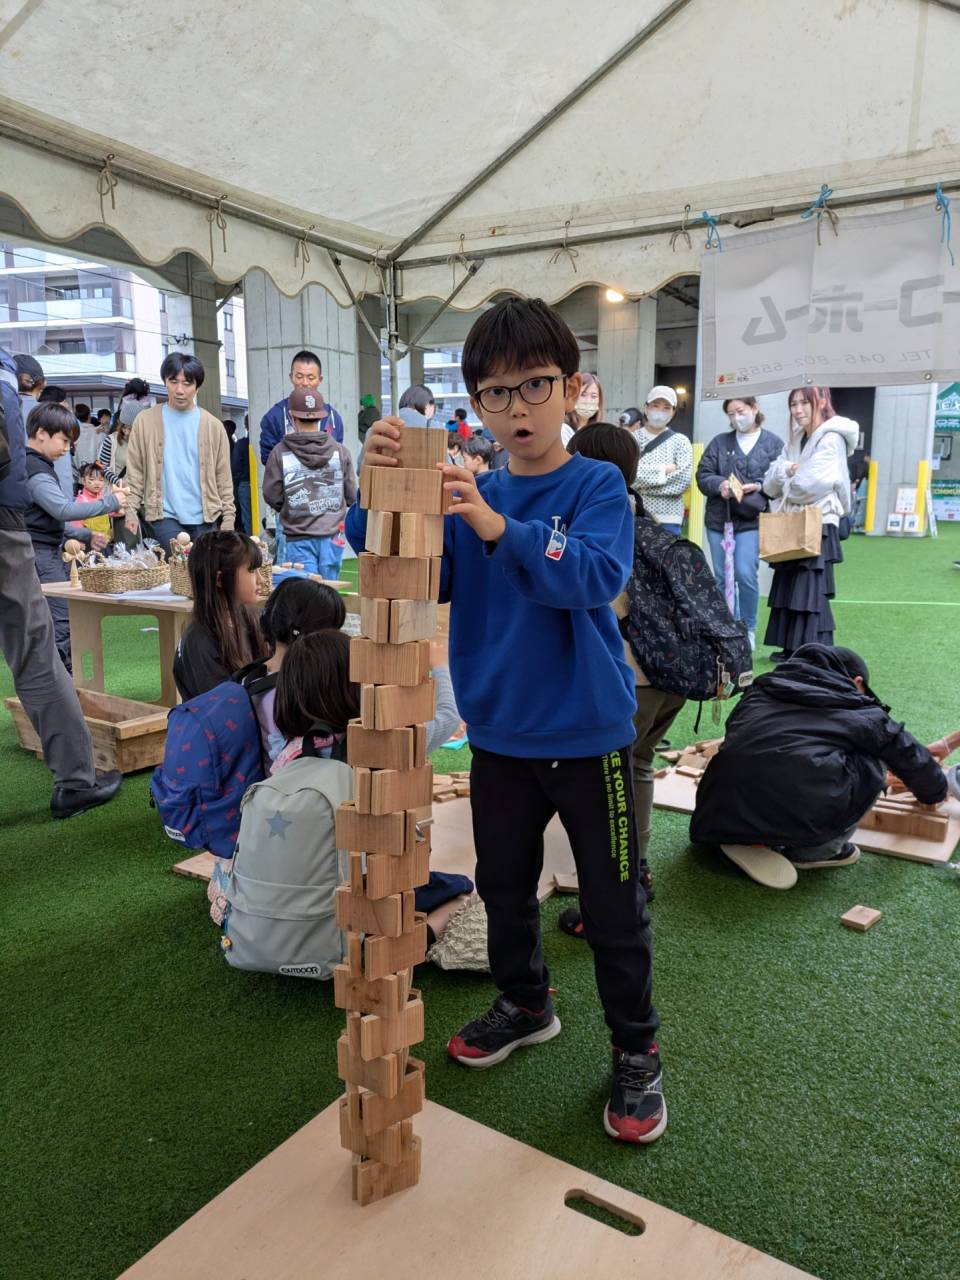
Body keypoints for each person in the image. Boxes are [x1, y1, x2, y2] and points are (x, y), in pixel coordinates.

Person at [349, 296, 664, 1145]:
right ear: (476, 405)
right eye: (496, 393)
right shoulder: (469, 493)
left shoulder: (596, 484)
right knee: (503, 889)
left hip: (590, 735)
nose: (518, 408)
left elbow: (595, 576)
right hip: (498, 739)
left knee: (614, 907)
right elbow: (405, 567)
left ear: (572, 388)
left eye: (535, 385)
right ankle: (528, 1003)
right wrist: (377, 487)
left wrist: (501, 529)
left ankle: (636, 1049)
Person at [558, 422, 684, 928]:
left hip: (632, 681)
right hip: (676, 676)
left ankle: (612, 899)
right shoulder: (654, 524)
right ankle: (638, 869)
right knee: (639, 767)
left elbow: (599, 602)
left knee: (604, 792)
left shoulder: (604, 526)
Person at [691, 644, 948, 888]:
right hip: (801, 809)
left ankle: (738, 835)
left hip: (715, 813)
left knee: (753, 754)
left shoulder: (758, 691)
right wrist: (935, 793)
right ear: (857, 682)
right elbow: (911, 757)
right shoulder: (862, 711)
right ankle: (814, 852)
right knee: (873, 760)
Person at [0, 349, 122, 817]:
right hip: (8, 532)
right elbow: (59, 508)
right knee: (38, 652)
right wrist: (109, 503)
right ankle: (75, 781)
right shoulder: (6, 382)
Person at [25, 404, 124, 669]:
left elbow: (48, 520)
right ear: (42, 433)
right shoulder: (35, 469)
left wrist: (85, 534)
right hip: (40, 555)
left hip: (43, 551)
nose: (67, 448)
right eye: (64, 440)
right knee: (61, 620)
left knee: (55, 619)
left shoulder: (36, 465)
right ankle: (62, 680)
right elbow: (63, 510)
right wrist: (111, 502)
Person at [762, 386, 858, 658]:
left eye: (804, 402)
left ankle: (813, 651)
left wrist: (786, 475)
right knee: (789, 584)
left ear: (822, 402)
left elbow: (809, 485)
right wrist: (789, 469)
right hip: (795, 519)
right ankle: (791, 647)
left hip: (820, 521)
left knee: (810, 588)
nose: (798, 410)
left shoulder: (832, 438)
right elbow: (769, 483)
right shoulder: (795, 438)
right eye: (793, 404)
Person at [696, 397, 784, 650]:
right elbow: (703, 474)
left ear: (754, 409)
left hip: (751, 519)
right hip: (719, 518)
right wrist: (720, 484)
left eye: (741, 411)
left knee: (745, 573)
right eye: (731, 414)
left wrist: (758, 485)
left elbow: (779, 478)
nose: (736, 418)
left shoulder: (773, 443)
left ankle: (747, 627)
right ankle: (726, 625)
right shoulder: (719, 442)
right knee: (721, 576)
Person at [123, 352, 235, 547]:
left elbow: (223, 476)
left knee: (204, 566)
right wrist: (130, 510)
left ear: (197, 387)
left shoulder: (213, 426)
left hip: (206, 518)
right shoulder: (145, 421)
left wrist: (228, 517)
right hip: (164, 516)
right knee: (177, 563)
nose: (179, 390)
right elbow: (135, 471)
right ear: (165, 382)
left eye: (187, 383)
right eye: (173, 382)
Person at [262, 386, 358, 579]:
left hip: (298, 537)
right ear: (322, 417)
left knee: (304, 592)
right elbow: (351, 495)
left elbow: (272, 495)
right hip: (333, 537)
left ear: (292, 416)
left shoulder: (279, 452)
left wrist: (291, 505)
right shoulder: (340, 451)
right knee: (329, 591)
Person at [172, 530, 268, 700]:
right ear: (219, 579)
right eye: (252, 571)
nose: (262, 580)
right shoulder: (198, 641)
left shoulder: (254, 617)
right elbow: (223, 706)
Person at [259, 350, 344, 466]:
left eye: (311, 378)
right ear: (291, 377)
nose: (305, 383)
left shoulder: (333, 417)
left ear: (320, 380)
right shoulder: (274, 417)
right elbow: (268, 459)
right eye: (299, 377)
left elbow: (338, 457)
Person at [633, 385, 692, 535]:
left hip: (669, 520)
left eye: (666, 408)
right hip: (636, 514)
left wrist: (642, 486)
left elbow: (682, 482)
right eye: (655, 405)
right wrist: (664, 470)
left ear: (673, 412)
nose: (660, 411)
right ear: (646, 408)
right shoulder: (632, 439)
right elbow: (629, 475)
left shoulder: (681, 441)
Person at [68, 462, 115, 545]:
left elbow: (110, 512)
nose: (97, 483)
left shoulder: (103, 498)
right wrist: (80, 543)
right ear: (83, 481)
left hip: (105, 541)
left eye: (101, 480)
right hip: (88, 543)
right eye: (92, 479)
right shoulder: (81, 501)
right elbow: (76, 525)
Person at [561, 370, 604, 447]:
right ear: (573, 395)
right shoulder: (563, 430)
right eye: (583, 395)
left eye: (593, 396)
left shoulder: (599, 434)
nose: (588, 401)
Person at [98, 398, 136, 484]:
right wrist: (117, 481)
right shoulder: (111, 440)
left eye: (131, 428)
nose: (126, 432)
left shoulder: (144, 442)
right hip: (117, 489)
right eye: (124, 427)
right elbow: (100, 465)